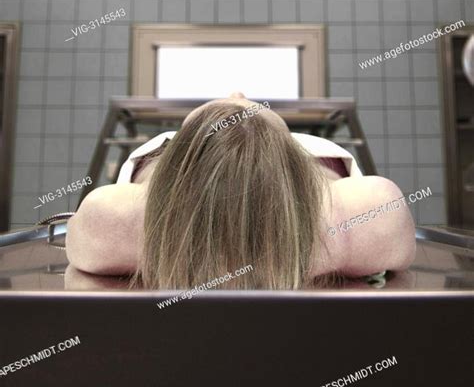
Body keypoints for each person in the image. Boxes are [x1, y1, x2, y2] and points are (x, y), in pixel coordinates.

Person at [65, 92, 416, 288]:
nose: (238, 94)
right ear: (293, 153)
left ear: (174, 156)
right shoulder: (363, 213)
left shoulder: (114, 218)